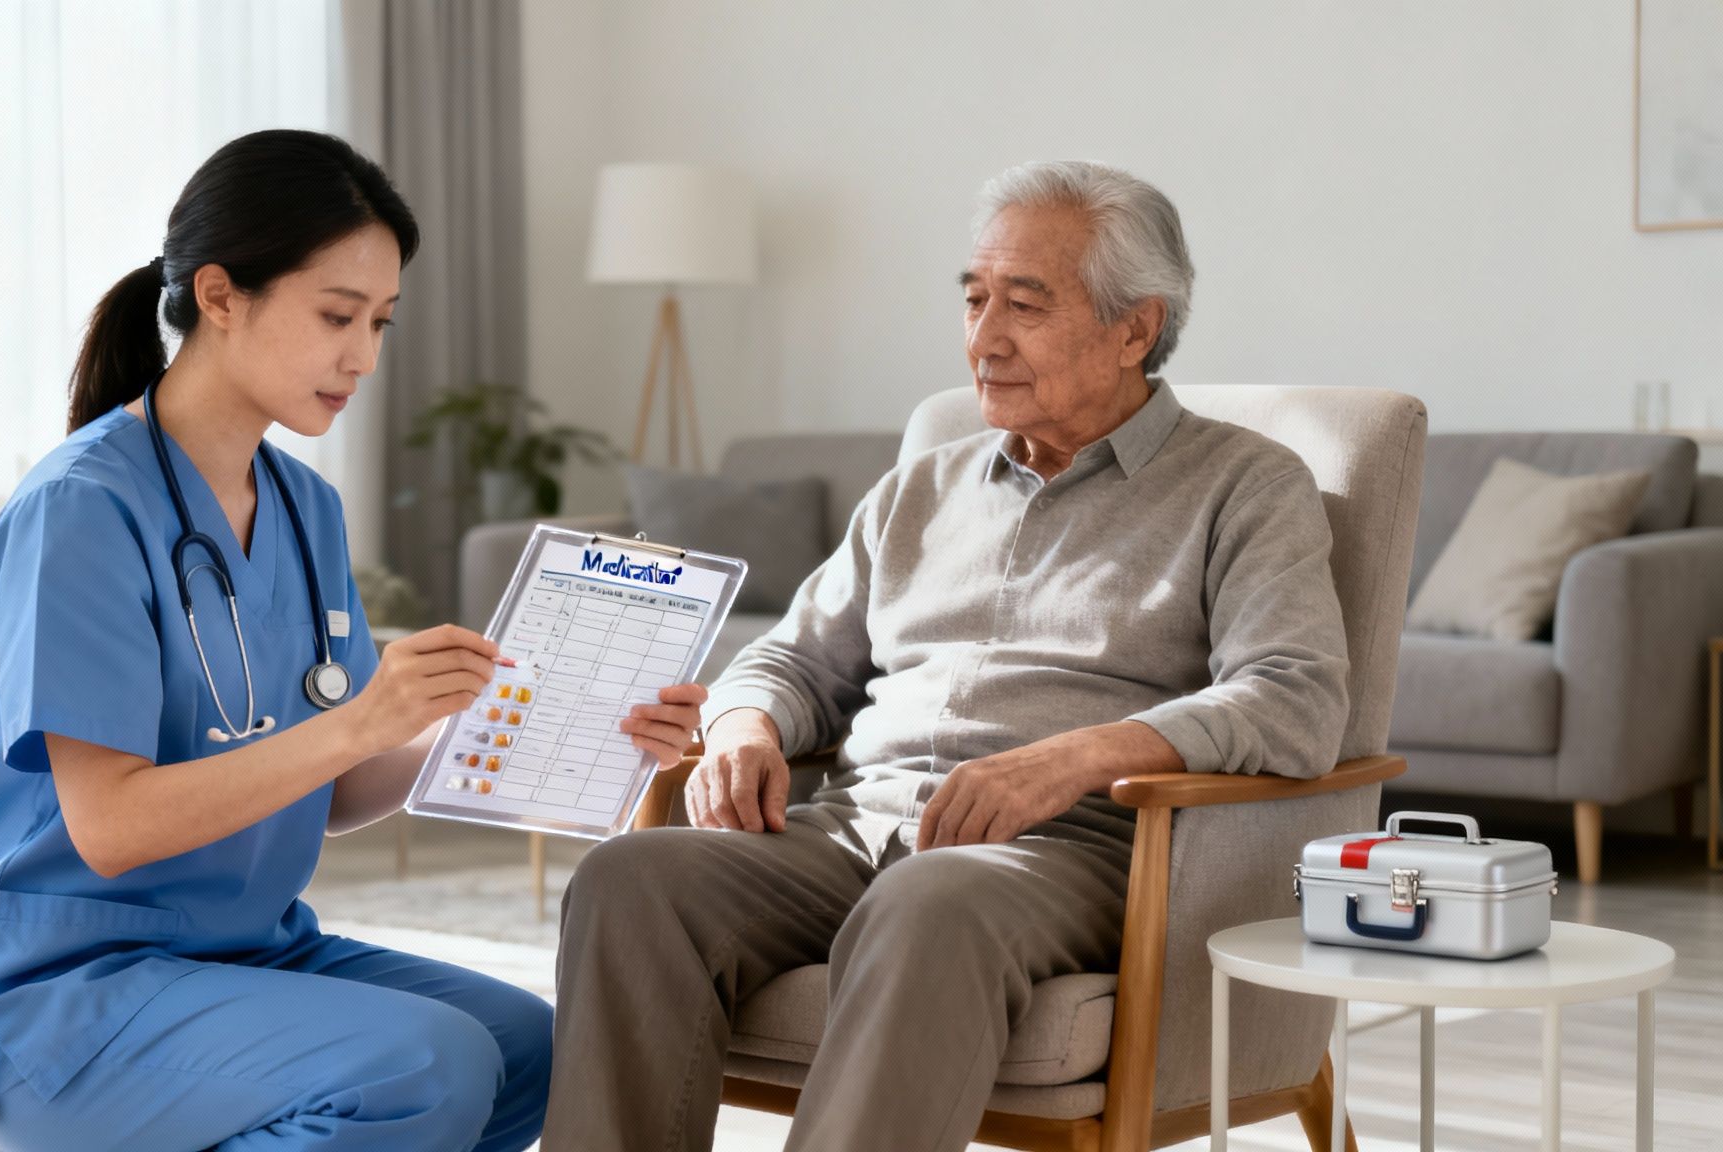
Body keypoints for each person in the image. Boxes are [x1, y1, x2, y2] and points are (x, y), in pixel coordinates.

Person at [543, 160, 1352, 1151]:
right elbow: (790, 659)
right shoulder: (916, 489)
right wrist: (743, 725)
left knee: (931, 896)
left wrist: (1075, 757)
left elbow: (1295, 699)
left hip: (1068, 856)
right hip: (851, 830)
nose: (983, 337)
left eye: (1024, 304)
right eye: (973, 299)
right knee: (629, 879)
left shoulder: (1243, 486)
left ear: (1133, 327)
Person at [0, 128, 706, 1152]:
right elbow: (109, 828)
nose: (363, 357)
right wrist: (359, 721)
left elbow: (329, 797)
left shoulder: (303, 509)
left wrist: (516, 722)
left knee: (542, 1054)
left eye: (379, 321)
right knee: (427, 1064)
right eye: (336, 316)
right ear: (218, 295)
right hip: (62, 990)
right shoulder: (80, 510)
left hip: (244, 953)